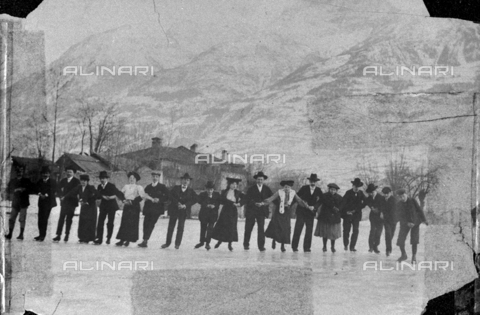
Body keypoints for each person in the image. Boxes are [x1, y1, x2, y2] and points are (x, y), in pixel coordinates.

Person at [260, 180, 311, 252]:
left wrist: (307, 206)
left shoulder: (293, 193)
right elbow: (271, 198)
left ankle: (282, 245)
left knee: (285, 228)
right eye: (285, 187)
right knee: (276, 226)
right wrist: (262, 203)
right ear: (283, 187)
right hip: (278, 212)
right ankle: (274, 240)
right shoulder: (279, 192)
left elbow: (299, 201)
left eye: (288, 187)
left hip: (286, 212)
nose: (287, 188)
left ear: (290, 187)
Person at [161, 173, 197, 249]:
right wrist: (177, 203)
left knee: (180, 227)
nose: (185, 181)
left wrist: (185, 205)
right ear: (181, 180)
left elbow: (195, 199)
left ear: (189, 182)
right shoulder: (175, 188)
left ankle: (177, 244)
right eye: (184, 180)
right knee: (171, 227)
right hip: (174, 209)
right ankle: (167, 243)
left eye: (187, 180)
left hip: (183, 211)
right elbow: (170, 196)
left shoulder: (191, 191)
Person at [211, 177, 246, 251]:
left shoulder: (237, 192)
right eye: (233, 184)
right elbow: (221, 200)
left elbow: (245, 198)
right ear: (229, 184)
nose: (234, 186)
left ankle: (230, 244)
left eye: (236, 184)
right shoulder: (224, 192)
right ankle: (219, 241)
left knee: (231, 227)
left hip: (233, 212)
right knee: (222, 226)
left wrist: (239, 204)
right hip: (225, 211)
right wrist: (231, 202)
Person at [138, 171, 170, 248]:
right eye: (153, 176)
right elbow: (143, 195)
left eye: (156, 177)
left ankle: (146, 240)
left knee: (151, 224)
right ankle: (144, 240)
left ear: (158, 178)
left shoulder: (162, 187)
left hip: (157, 209)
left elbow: (168, 196)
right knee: (145, 224)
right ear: (151, 177)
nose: (155, 178)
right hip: (148, 208)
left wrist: (159, 199)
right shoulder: (148, 187)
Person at [396, 189, 428, 263]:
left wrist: (424, 220)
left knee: (414, 240)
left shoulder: (413, 201)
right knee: (400, 240)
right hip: (405, 223)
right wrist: (407, 223)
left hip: (415, 222)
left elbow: (419, 210)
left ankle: (414, 256)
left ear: (406, 194)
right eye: (400, 197)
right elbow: (399, 216)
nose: (402, 198)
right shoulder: (399, 204)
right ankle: (403, 255)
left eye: (403, 196)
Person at [292, 174, 323, 252]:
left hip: (310, 213)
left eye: (314, 181)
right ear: (309, 181)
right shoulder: (304, 188)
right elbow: (297, 197)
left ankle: (307, 248)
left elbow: (321, 200)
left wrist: (315, 207)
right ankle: (294, 247)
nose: (313, 183)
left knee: (309, 230)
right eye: (311, 181)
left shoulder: (318, 190)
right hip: (301, 211)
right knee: (298, 229)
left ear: (316, 182)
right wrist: (290, 204)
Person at [243, 171, 272, 251]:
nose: (260, 181)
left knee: (261, 229)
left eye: (261, 179)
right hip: (251, 211)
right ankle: (246, 244)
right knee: (248, 228)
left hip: (261, 212)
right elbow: (247, 199)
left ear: (263, 180)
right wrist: (254, 203)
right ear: (256, 180)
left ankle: (261, 246)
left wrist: (263, 203)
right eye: (258, 179)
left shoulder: (267, 189)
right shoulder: (251, 189)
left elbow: (271, 198)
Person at [66, 174, 98, 243]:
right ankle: (82, 237)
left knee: (89, 222)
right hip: (84, 207)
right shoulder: (79, 187)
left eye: (85, 181)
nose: (83, 182)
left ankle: (88, 238)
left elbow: (97, 195)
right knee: (82, 221)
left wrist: (87, 201)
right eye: (82, 180)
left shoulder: (91, 187)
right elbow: (72, 193)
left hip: (91, 207)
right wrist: (65, 197)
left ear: (87, 181)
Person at [94, 171, 124, 245]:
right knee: (100, 222)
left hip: (111, 206)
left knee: (110, 223)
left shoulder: (111, 186)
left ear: (107, 179)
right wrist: (102, 196)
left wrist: (123, 199)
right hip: (103, 206)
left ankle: (108, 238)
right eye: (101, 178)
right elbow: (98, 195)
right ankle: (99, 239)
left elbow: (117, 193)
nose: (102, 180)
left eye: (104, 178)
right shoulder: (99, 186)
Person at [116, 171, 144, 247]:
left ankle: (128, 240)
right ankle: (122, 239)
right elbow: (120, 194)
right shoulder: (126, 186)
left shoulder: (138, 187)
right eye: (130, 178)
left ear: (136, 179)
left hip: (134, 206)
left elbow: (142, 196)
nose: (131, 179)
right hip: (127, 205)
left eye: (133, 178)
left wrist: (132, 202)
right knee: (124, 222)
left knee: (131, 223)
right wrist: (124, 200)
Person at [53, 166, 80, 243]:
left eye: (70, 172)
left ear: (74, 173)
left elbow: (75, 191)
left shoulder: (76, 181)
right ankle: (58, 235)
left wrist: (65, 196)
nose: (68, 173)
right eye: (67, 172)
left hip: (72, 202)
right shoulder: (63, 180)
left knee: (69, 219)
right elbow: (58, 188)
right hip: (64, 202)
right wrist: (61, 195)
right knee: (61, 218)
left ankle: (67, 234)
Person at [5, 166, 32, 240]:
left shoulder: (27, 181)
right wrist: (14, 190)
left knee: (22, 219)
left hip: (23, 203)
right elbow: (8, 190)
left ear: (23, 172)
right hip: (15, 203)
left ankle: (21, 234)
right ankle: (10, 234)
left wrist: (24, 189)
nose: (19, 173)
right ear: (16, 172)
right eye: (18, 171)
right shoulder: (13, 181)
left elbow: (31, 189)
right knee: (11, 219)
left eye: (21, 171)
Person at [315, 183, 343, 252]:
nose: (332, 191)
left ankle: (332, 247)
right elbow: (318, 203)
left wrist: (338, 209)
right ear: (329, 189)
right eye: (331, 189)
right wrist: (314, 209)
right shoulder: (324, 196)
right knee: (325, 232)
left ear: (336, 190)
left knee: (333, 233)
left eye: (334, 190)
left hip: (334, 218)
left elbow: (342, 205)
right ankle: (324, 246)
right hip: (325, 217)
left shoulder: (339, 197)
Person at [340, 178, 366, 252]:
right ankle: (346, 244)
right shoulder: (348, 193)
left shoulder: (361, 193)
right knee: (346, 231)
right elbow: (343, 203)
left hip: (356, 215)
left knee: (355, 231)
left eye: (358, 186)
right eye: (355, 186)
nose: (356, 187)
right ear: (353, 186)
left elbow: (365, 201)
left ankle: (352, 247)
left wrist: (359, 207)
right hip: (347, 215)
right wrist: (345, 212)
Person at [33, 166, 57, 242]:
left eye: (46, 173)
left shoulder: (53, 181)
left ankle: (43, 236)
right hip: (41, 202)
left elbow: (53, 190)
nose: (45, 175)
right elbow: (36, 188)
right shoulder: (40, 181)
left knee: (44, 219)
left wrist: (46, 195)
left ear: (49, 174)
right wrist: (40, 194)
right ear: (41, 174)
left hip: (49, 202)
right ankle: (40, 234)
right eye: (43, 173)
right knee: (40, 218)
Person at [195, 181, 221, 250]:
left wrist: (214, 206)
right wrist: (206, 205)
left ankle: (207, 243)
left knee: (210, 229)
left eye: (211, 189)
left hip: (213, 215)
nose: (210, 191)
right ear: (206, 189)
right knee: (203, 228)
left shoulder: (217, 195)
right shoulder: (202, 194)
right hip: (204, 215)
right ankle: (201, 242)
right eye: (208, 189)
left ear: (213, 189)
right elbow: (199, 200)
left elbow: (219, 203)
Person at [366, 183, 383, 254]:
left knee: (378, 233)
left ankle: (376, 246)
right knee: (372, 231)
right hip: (372, 217)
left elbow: (384, 206)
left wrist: (380, 211)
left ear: (375, 190)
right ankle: (370, 247)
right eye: (370, 193)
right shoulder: (369, 197)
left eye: (372, 192)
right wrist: (372, 207)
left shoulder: (380, 197)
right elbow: (367, 202)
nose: (371, 194)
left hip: (380, 217)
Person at [381, 187, 396, 256]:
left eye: (387, 194)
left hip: (393, 220)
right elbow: (380, 207)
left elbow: (393, 211)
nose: (386, 195)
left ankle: (388, 246)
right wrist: (381, 212)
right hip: (386, 220)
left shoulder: (394, 200)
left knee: (391, 235)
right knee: (388, 234)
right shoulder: (382, 200)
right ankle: (388, 250)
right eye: (384, 194)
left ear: (390, 193)